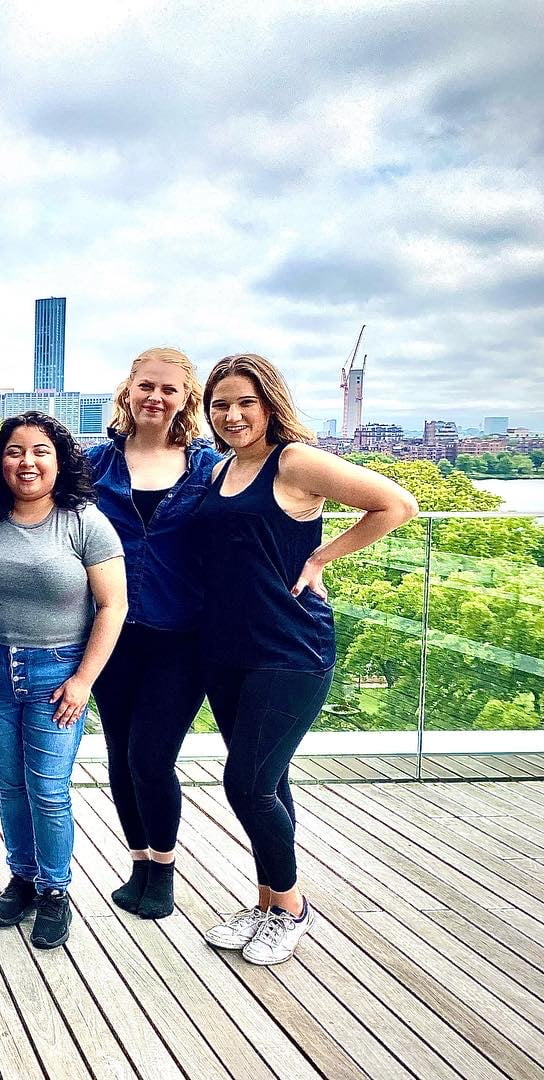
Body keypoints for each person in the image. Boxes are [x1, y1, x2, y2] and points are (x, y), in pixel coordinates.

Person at [197, 354, 416, 965]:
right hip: (230, 650)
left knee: (246, 783)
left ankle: (291, 907)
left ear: (269, 402)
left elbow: (396, 505)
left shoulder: (293, 460)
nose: (233, 415)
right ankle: (267, 902)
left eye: (245, 402)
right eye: (220, 405)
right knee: (271, 780)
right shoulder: (223, 468)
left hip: (289, 648)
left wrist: (320, 559)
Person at [0, 412, 127, 949]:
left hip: (59, 673)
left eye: (41, 451)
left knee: (50, 790)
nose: (27, 462)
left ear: (60, 460)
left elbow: (113, 606)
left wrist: (84, 679)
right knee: (10, 785)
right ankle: (22, 877)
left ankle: (55, 890)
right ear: (0, 461)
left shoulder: (85, 522)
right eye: (14, 451)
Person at [84, 347, 221, 920]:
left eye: (168, 389)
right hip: (109, 634)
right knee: (120, 752)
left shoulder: (210, 466)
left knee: (151, 755)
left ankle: (162, 868)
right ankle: (137, 860)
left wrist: (307, 564)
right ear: (128, 389)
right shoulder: (94, 463)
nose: (155, 397)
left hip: (180, 636)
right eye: (146, 386)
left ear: (186, 397)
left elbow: (255, 521)